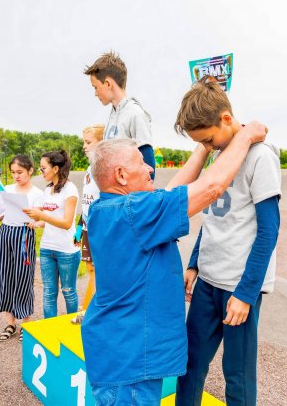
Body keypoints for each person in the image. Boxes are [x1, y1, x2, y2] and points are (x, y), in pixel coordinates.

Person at [81, 121, 268, 406]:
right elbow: (212, 187)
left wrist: (203, 150)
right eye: (141, 164)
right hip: (129, 366)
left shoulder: (106, 209)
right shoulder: (134, 212)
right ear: (120, 175)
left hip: (117, 352)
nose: (149, 168)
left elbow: (170, 193)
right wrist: (246, 135)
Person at [173, 77, 282, 406]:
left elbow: (269, 230)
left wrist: (247, 293)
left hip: (239, 288)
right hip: (207, 281)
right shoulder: (216, 153)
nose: (208, 146)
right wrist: (194, 262)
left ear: (225, 119)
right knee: (190, 364)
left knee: (237, 375)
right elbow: (213, 218)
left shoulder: (261, 156)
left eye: (208, 139)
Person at [0, 155, 43, 342]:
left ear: (30, 171)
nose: (16, 176)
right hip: (5, 234)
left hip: (24, 235)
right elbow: (0, 216)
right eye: (13, 173)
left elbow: (42, 219)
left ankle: (26, 323)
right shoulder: (6, 190)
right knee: (4, 276)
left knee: (24, 278)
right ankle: (10, 323)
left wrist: (37, 223)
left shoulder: (37, 194)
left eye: (20, 172)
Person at [24, 151, 80, 319]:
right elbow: (48, 218)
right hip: (47, 249)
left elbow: (66, 223)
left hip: (67, 251)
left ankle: (73, 331)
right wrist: (38, 222)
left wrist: (42, 216)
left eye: (43, 169)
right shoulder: (47, 189)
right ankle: (51, 331)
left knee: (68, 292)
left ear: (55, 168)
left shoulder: (70, 189)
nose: (41, 173)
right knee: (49, 293)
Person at [83, 51, 156, 179]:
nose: (95, 93)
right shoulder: (113, 115)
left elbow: (149, 168)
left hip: (128, 196)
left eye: (95, 87)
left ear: (108, 84)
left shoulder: (134, 113)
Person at [71, 124, 104, 325]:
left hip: (99, 228)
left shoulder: (103, 169)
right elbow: (86, 202)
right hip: (87, 226)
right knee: (91, 268)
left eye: (88, 142)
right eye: (83, 142)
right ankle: (90, 310)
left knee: (98, 270)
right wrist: (79, 228)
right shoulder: (88, 170)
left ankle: (89, 311)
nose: (84, 146)